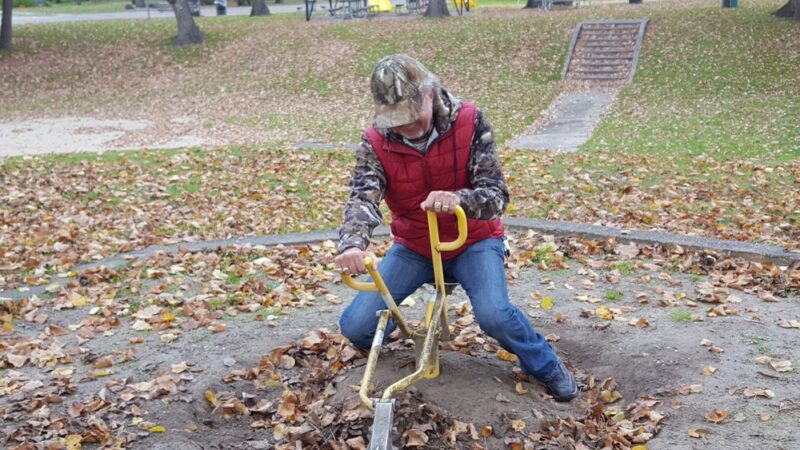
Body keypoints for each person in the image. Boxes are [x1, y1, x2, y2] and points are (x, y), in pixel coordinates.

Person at [334, 54, 577, 402]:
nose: (407, 128)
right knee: (356, 326)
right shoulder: (376, 141)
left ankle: (547, 366)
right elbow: (362, 197)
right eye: (397, 120)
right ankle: (394, 340)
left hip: (473, 240)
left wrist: (459, 199)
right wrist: (352, 243)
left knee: (494, 316)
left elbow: (496, 195)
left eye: (412, 116)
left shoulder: (469, 121)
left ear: (430, 93)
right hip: (416, 245)